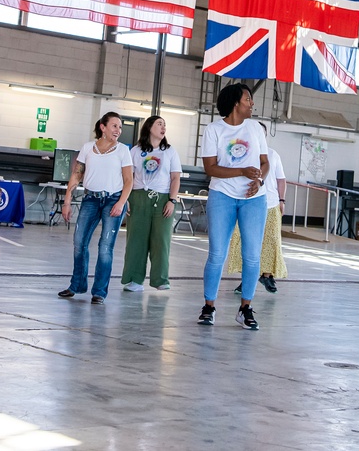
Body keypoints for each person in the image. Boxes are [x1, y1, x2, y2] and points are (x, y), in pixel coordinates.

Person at [198, 83, 269, 330]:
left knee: (252, 256)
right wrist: (241, 170)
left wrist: (259, 181)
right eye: (248, 99)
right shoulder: (214, 130)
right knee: (217, 253)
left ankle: (245, 308)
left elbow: (264, 162)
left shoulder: (255, 129)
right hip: (222, 196)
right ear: (235, 103)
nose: (252, 103)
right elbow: (210, 168)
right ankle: (209, 307)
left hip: (253, 200)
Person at [58, 112, 133, 304]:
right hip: (90, 199)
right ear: (103, 126)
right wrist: (67, 201)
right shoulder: (87, 148)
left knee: (105, 248)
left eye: (120, 127)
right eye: (114, 126)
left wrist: (121, 203)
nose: (118, 130)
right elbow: (76, 175)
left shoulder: (123, 150)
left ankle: (99, 292)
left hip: (113, 200)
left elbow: (128, 181)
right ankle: (77, 285)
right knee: (79, 243)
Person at [121, 115, 183, 292]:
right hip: (138, 197)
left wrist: (172, 200)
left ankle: (160, 279)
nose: (163, 128)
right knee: (136, 240)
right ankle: (134, 280)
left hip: (162, 199)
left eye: (165, 125)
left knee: (161, 240)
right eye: (159, 124)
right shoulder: (135, 151)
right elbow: (128, 178)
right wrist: (126, 200)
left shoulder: (170, 151)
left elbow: (175, 178)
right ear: (149, 127)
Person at [228, 122, 287, 294]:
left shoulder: (273, 155)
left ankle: (267, 275)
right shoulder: (242, 154)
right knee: (245, 242)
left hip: (271, 204)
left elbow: (281, 179)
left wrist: (282, 200)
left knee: (271, 240)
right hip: (247, 203)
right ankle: (247, 280)